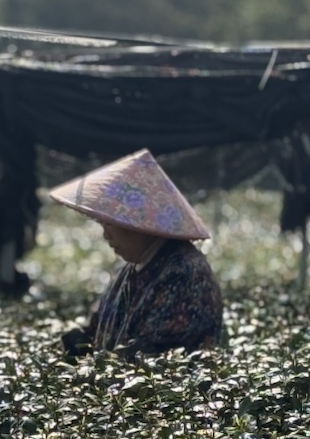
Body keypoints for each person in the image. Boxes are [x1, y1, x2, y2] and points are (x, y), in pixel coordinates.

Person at [51, 149, 223, 358]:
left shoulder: (184, 273)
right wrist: (79, 341)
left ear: (138, 224)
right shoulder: (130, 269)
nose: (106, 235)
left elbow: (157, 354)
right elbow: (98, 330)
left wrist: (103, 361)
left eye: (110, 224)